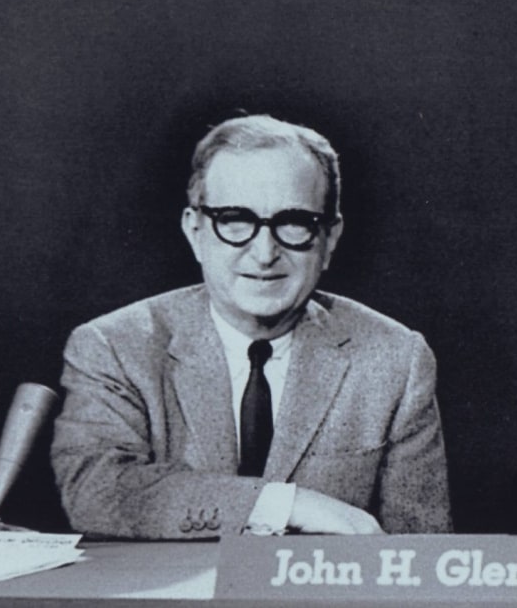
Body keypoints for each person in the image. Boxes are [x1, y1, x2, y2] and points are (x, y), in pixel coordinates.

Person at [52, 115, 451, 539]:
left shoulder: (396, 359)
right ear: (195, 231)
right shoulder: (113, 346)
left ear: (330, 238)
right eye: (235, 220)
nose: (264, 253)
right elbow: (98, 491)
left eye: (294, 222)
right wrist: (283, 504)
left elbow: (420, 554)